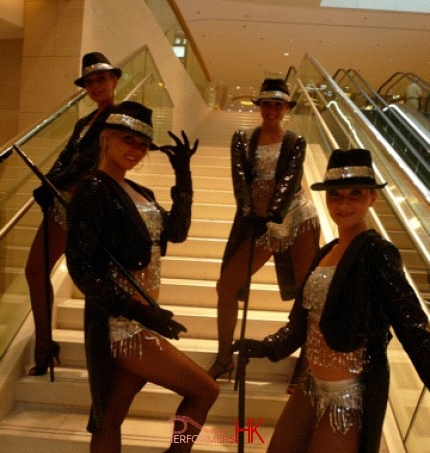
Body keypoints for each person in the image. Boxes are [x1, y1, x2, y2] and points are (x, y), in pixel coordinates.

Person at [232, 148, 430, 453]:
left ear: (372, 198)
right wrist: (267, 347)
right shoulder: (325, 252)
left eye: (355, 193)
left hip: (347, 395)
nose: (344, 203)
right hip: (310, 385)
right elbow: (301, 325)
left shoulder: (377, 253)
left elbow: (413, 326)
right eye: (335, 194)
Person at [65, 101, 219, 453]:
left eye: (143, 145)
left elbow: (176, 232)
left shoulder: (141, 192)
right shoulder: (92, 188)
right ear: (106, 138)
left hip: (142, 318)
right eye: (127, 140)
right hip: (121, 325)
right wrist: (138, 311)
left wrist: (184, 177)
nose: (135, 150)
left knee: (110, 418)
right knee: (206, 390)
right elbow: (82, 269)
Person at [207, 78, 320, 380]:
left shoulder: (295, 141)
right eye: (267, 104)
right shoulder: (242, 139)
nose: (272, 110)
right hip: (257, 221)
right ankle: (224, 357)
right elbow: (240, 180)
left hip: (295, 216)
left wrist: (273, 214)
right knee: (226, 286)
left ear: (286, 108)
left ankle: (307, 363)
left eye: (278, 104)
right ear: (259, 106)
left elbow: (289, 181)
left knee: (310, 293)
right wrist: (251, 215)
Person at [25, 52, 122, 375]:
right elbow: (67, 157)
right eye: (90, 81)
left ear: (114, 80)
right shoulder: (84, 121)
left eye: (101, 79)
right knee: (35, 271)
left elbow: (89, 161)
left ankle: (112, 355)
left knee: (94, 281)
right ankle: (44, 343)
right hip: (62, 203)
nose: (95, 85)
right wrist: (48, 184)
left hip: (90, 208)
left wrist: (53, 183)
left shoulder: (119, 117)